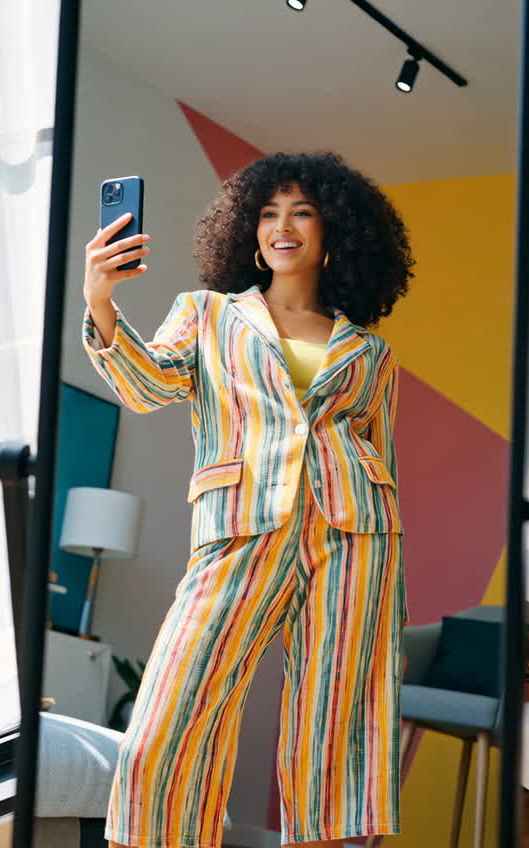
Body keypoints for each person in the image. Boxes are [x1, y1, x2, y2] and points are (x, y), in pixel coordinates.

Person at [82, 151, 415, 848]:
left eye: (301, 212)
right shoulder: (208, 316)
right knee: (169, 719)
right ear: (247, 231)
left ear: (336, 231)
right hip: (239, 527)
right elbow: (147, 387)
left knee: (337, 725)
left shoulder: (370, 352)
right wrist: (101, 301)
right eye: (268, 213)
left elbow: (378, 453)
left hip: (355, 540)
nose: (282, 226)